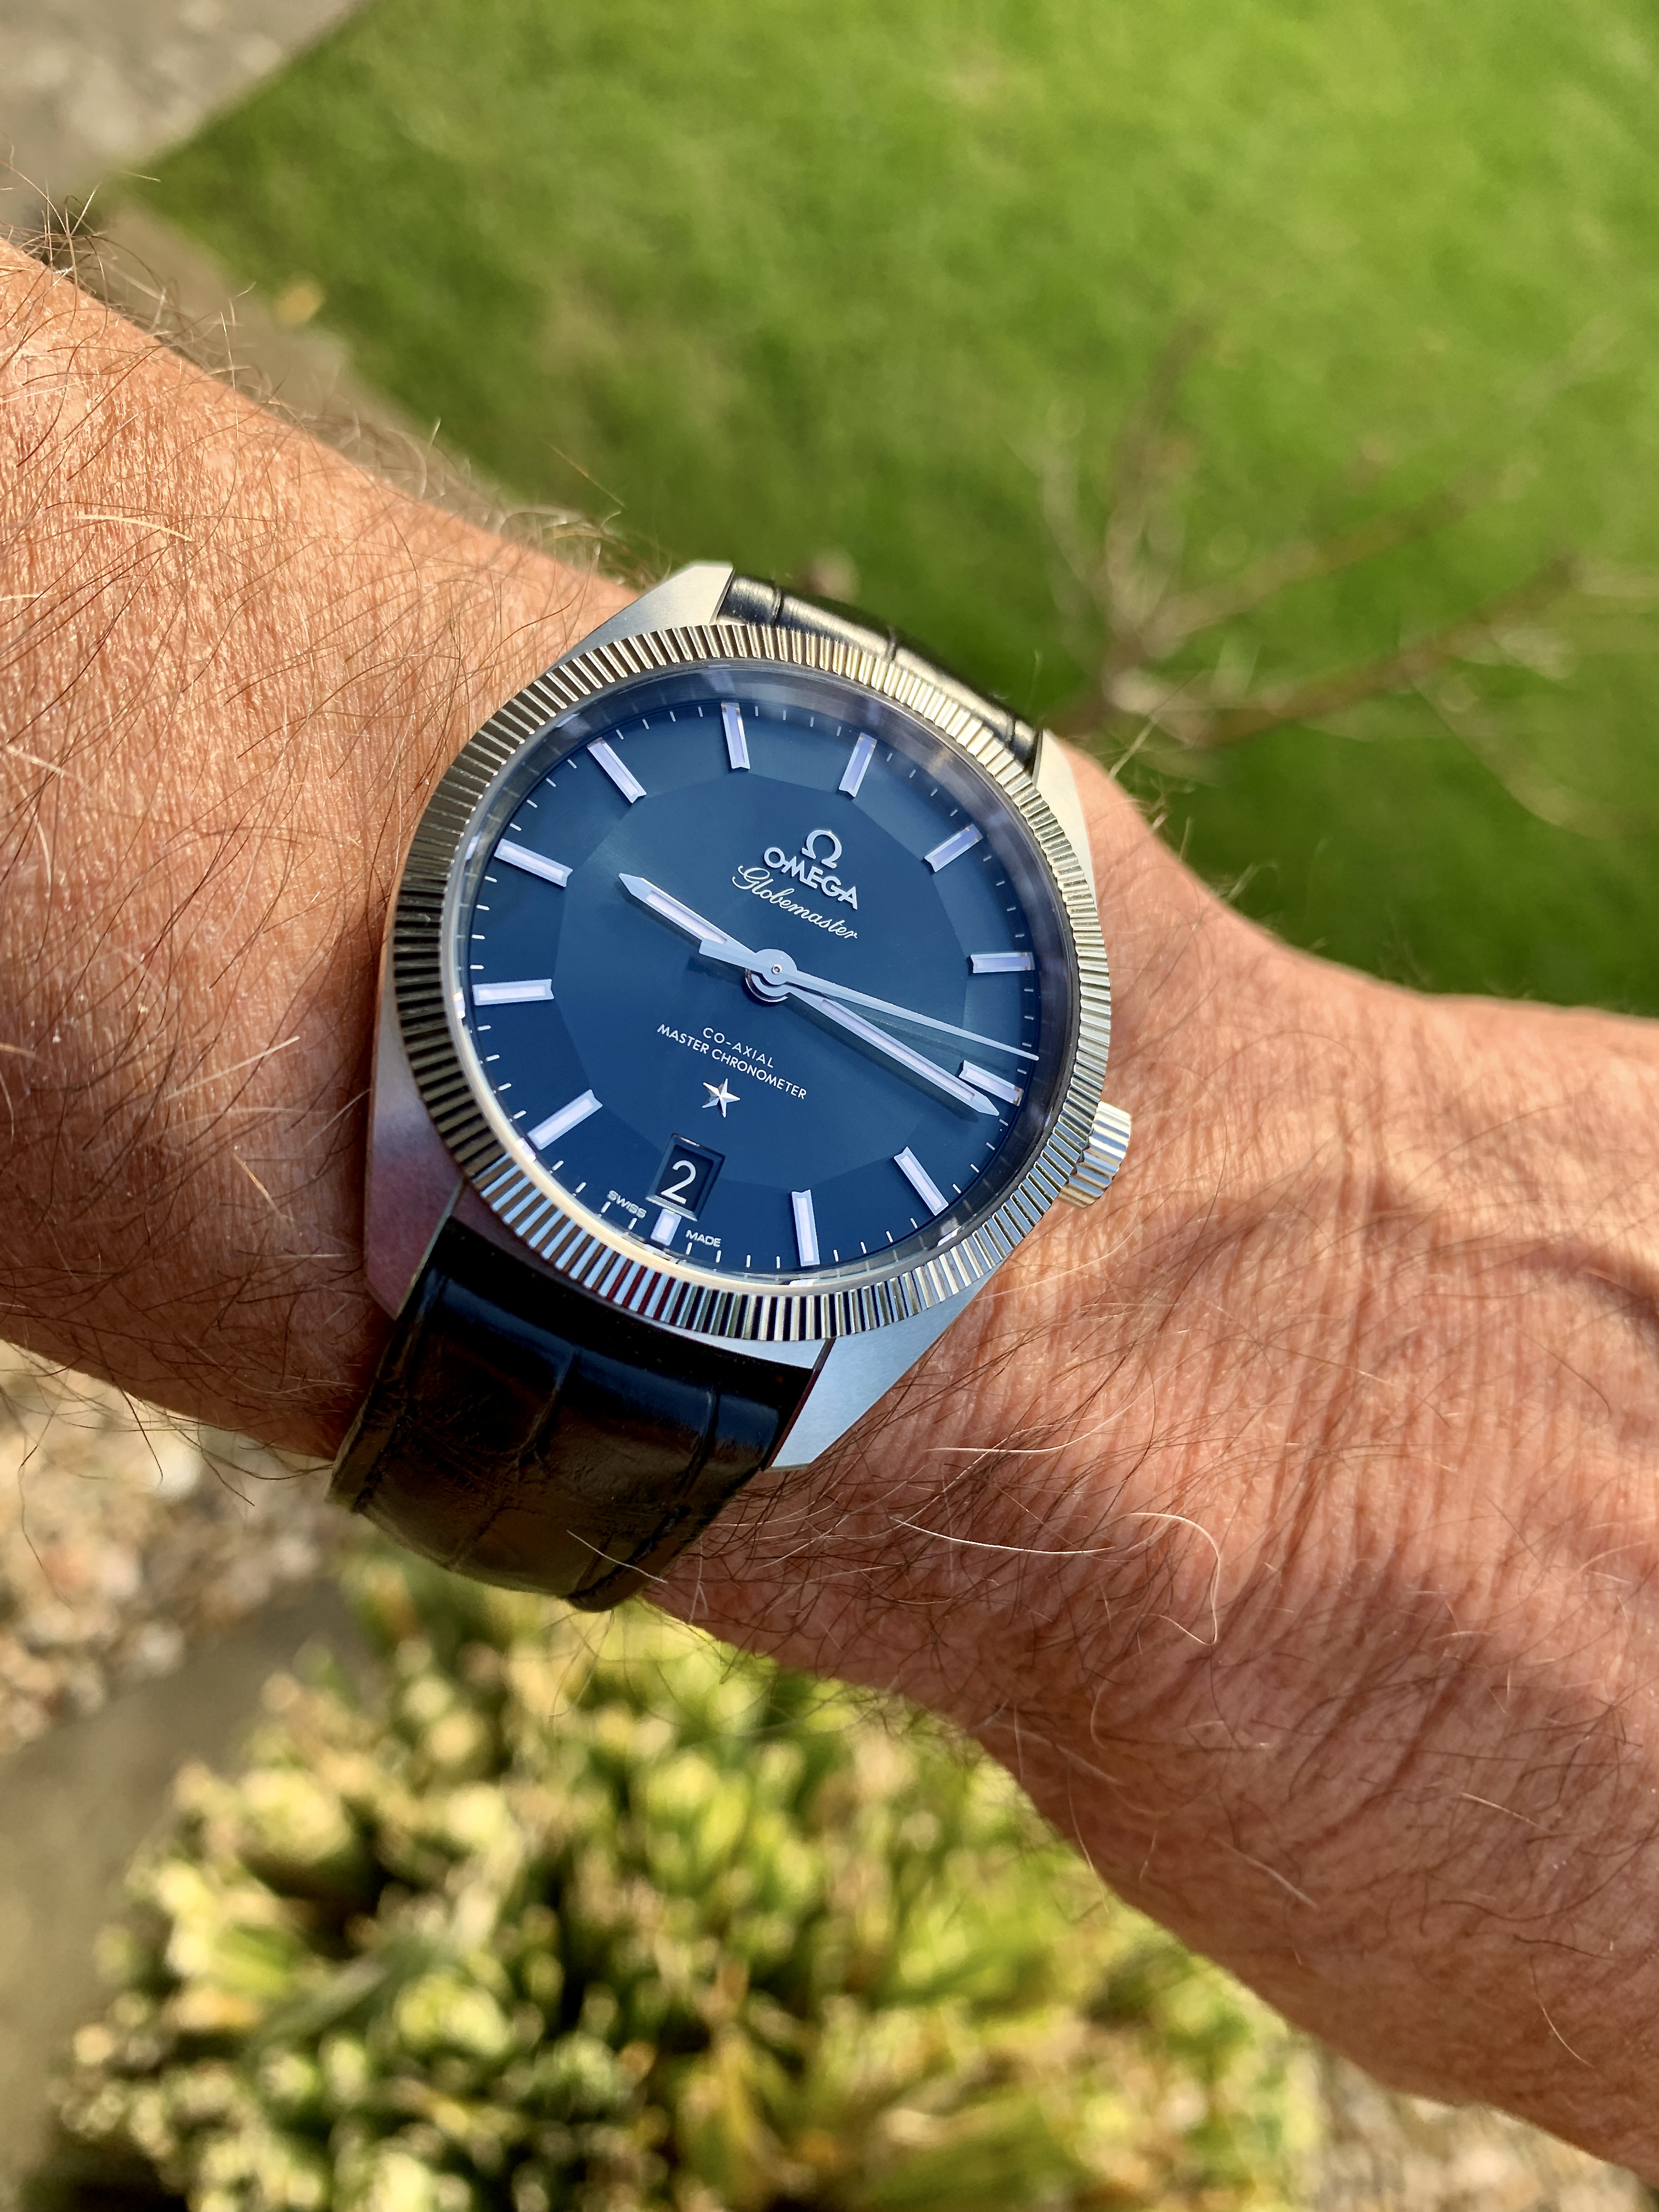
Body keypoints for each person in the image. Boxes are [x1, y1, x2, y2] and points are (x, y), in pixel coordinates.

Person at [5, 233, 1659, 2177]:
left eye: (803, 982)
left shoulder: (985, 1127)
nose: (773, 981)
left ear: (1064, 1136)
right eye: (762, 961)